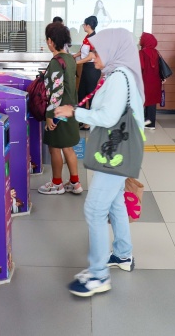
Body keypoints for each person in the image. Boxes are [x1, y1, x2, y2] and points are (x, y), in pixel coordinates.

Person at [54, 28, 144, 297]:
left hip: (114, 153)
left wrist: (74, 111)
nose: (91, 57)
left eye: (95, 51)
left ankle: (98, 275)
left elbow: (107, 117)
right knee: (115, 202)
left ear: (113, 50)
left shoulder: (118, 77)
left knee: (94, 210)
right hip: (120, 150)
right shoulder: (121, 73)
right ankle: (122, 255)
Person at [37, 22, 82, 196]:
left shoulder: (56, 62)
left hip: (58, 112)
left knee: (54, 147)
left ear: (50, 40)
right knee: (68, 147)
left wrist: (50, 115)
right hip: (71, 109)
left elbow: (56, 92)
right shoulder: (70, 58)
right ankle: (75, 183)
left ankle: (57, 184)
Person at [73, 16, 100, 130]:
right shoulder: (87, 37)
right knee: (82, 94)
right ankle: (82, 119)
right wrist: (73, 56)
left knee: (90, 95)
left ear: (88, 25)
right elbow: (82, 51)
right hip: (86, 68)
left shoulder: (95, 38)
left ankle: (90, 122)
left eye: (84, 24)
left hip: (92, 69)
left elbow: (91, 56)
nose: (83, 26)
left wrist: (77, 63)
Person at [139, 32, 161, 129]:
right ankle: (150, 123)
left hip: (145, 80)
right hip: (156, 80)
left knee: (142, 99)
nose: (140, 40)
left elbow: (140, 67)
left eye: (141, 38)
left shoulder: (142, 52)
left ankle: (143, 120)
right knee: (152, 101)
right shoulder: (156, 52)